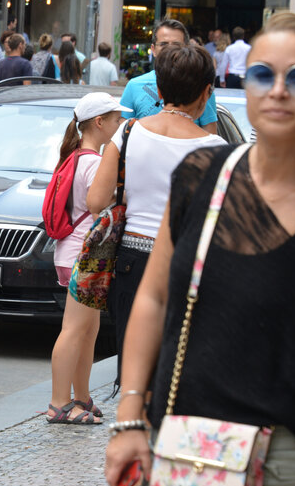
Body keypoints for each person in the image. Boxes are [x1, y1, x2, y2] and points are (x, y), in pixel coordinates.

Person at [105, 11, 295, 486]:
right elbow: (154, 298)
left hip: (278, 452)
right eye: (263, 74)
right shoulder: (201, 175)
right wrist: (129, 417)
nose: (278, 90)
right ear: (242, 86)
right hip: (183, 436)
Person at [87, 44, 225, 369]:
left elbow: (95, 201)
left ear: (159, 89)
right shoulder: (216, 149)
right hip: (186, 263)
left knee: (136, 365)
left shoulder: (128, 131)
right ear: (206, 93)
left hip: (131, 261)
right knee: (178, 368)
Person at [46, 92, 129, 425]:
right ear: (100, 122)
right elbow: (103, 202)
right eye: (115, 119)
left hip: (74, 252)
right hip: (84, 254)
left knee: (87, 331)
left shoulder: (77, 156)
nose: (119, 124)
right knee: (74, 330)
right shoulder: (94, 162)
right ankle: (59, 404)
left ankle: (80, 397)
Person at [120, 19, 219, 134]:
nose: (170, 50)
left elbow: (210, 138)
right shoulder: (134, 86)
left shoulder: (200, 87)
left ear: (187, 48)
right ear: (153, 49)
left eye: (176, 45)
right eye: (163, 44)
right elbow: (121, 135)